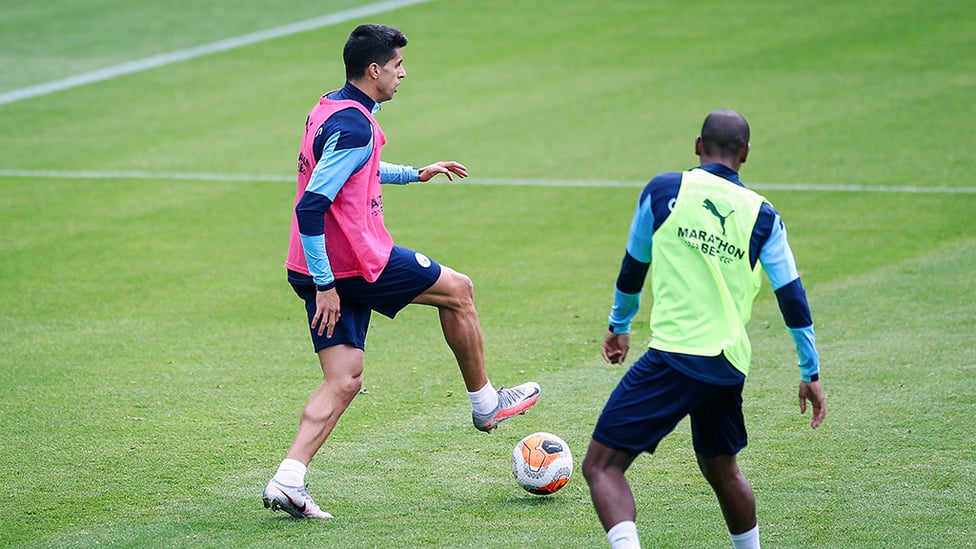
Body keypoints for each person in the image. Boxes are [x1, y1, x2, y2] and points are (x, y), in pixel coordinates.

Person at [262, 24, 540, 520]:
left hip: (310, 263)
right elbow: (312, 206)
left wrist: (415, 173)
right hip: (353, 263)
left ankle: (289, 479)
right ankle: (486, 404)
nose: (402, 74)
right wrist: (328, 286)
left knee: (344, 379)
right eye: (397, 66)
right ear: (374, 70)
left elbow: (355, 168)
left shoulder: (330, 107)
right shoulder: (356, 126)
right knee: (458, 290)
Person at [581, 110, 826, 548]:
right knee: (721, 468)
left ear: (698, 145)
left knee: (602, 467)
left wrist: (619, 326)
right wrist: (811, 372)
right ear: (745, 154)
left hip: (675, 355)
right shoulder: (763, 215)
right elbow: (793, 298)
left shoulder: (664, 191)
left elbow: (633, 267)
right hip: (729, 365)